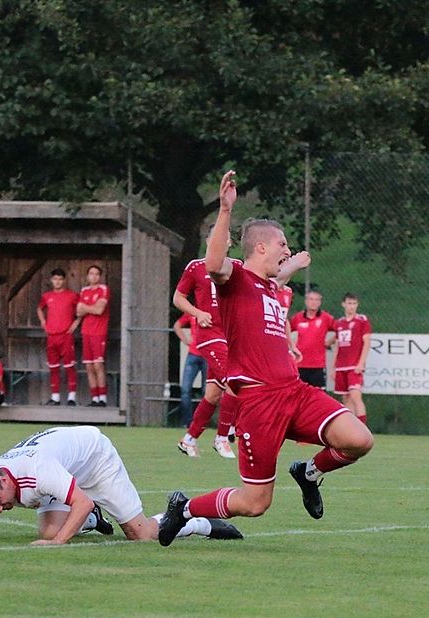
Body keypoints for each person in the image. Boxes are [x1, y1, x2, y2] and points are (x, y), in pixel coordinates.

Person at [157, 170, 374, 547]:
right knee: (256, 503)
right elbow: (213, 264)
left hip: (294, 392)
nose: (286, 250)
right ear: (260, 248)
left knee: (359, 440)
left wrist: (295, 263)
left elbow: (276, 278)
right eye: (283, 245)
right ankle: (185, 509)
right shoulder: (235, 278)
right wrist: (226, 211)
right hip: (258, 402)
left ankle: (307, 472)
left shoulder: (267, 285)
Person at [0, 425, 243, 545]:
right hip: (65, 468)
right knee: (49, 529)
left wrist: (57, 544)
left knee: (142, 535)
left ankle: (198, 521)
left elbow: (82, 500)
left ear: (5, 479)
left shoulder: (38, 472)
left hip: (95, 458)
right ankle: (94, 520)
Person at [172, 225, 244, 459]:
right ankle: (223, 437)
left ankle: (189, 439)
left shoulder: (237, 267)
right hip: (209, 336)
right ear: (208, 241)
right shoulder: (195, 266)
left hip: (230, 336)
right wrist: (197, 313)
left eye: (224, 239)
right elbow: (178, 298)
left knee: (213, 394)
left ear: (230, 243)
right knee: (234, 380)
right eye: (215, 238)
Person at [37, 268, 80, 406]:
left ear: (64, 280)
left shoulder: (72, 295)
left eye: (60, 279)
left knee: (69, 367)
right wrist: (43, 321)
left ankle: (71, 397)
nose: (57, 282)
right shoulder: (47, 296)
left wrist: (76, 323)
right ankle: (55, 397)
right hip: (51, 336)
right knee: (53, 367)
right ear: (51, 280)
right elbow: (39, 308)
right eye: (55, 279)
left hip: (66, 335)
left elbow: (81, 309)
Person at [331, 293, 372, 424]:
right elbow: (337, 345)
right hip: (341, 366)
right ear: (343, 304)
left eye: (354, 304)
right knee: (346, 399)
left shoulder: (362, 320)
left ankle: (363, 429)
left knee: (355, 396)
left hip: (354, 366)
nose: (352, 306)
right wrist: (333, 367)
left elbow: (367, 342)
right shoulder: (339, 323)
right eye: (349, 303)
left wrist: (361, 363)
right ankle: (352, 430)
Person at [288, 289, 336, 388]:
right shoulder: (298, 318)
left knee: (319, 396)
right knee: (299, 396)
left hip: (317, 365)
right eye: (311, 299)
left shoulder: (326, 318)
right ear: (306, 301)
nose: (313, 302)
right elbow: (286, 330)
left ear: (320, 302)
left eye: (316, 300)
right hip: (300, 364)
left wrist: (330, 341)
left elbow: (340, 330)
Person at [77, 264, 110, 407]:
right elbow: (78, 312)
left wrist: (86, 308)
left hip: (99, 332)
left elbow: (99, 310)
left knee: (98, 365)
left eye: (97, 274)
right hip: (86, 331)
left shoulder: (104, 289)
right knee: (89, 366)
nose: (94, 276)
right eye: (91, 273)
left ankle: (103, 398)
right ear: (87, 276)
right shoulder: (84, 291)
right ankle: (94, 398)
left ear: (100, 276)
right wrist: (91, 308)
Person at [173, 313, 208, 429]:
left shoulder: (211, 311)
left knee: (207, 392)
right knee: (185, 389)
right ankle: (187, 423)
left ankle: (201, 423)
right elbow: (177, 325)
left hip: (207, 356)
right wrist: (185, 339)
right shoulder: (191, 312)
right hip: (193, 354)